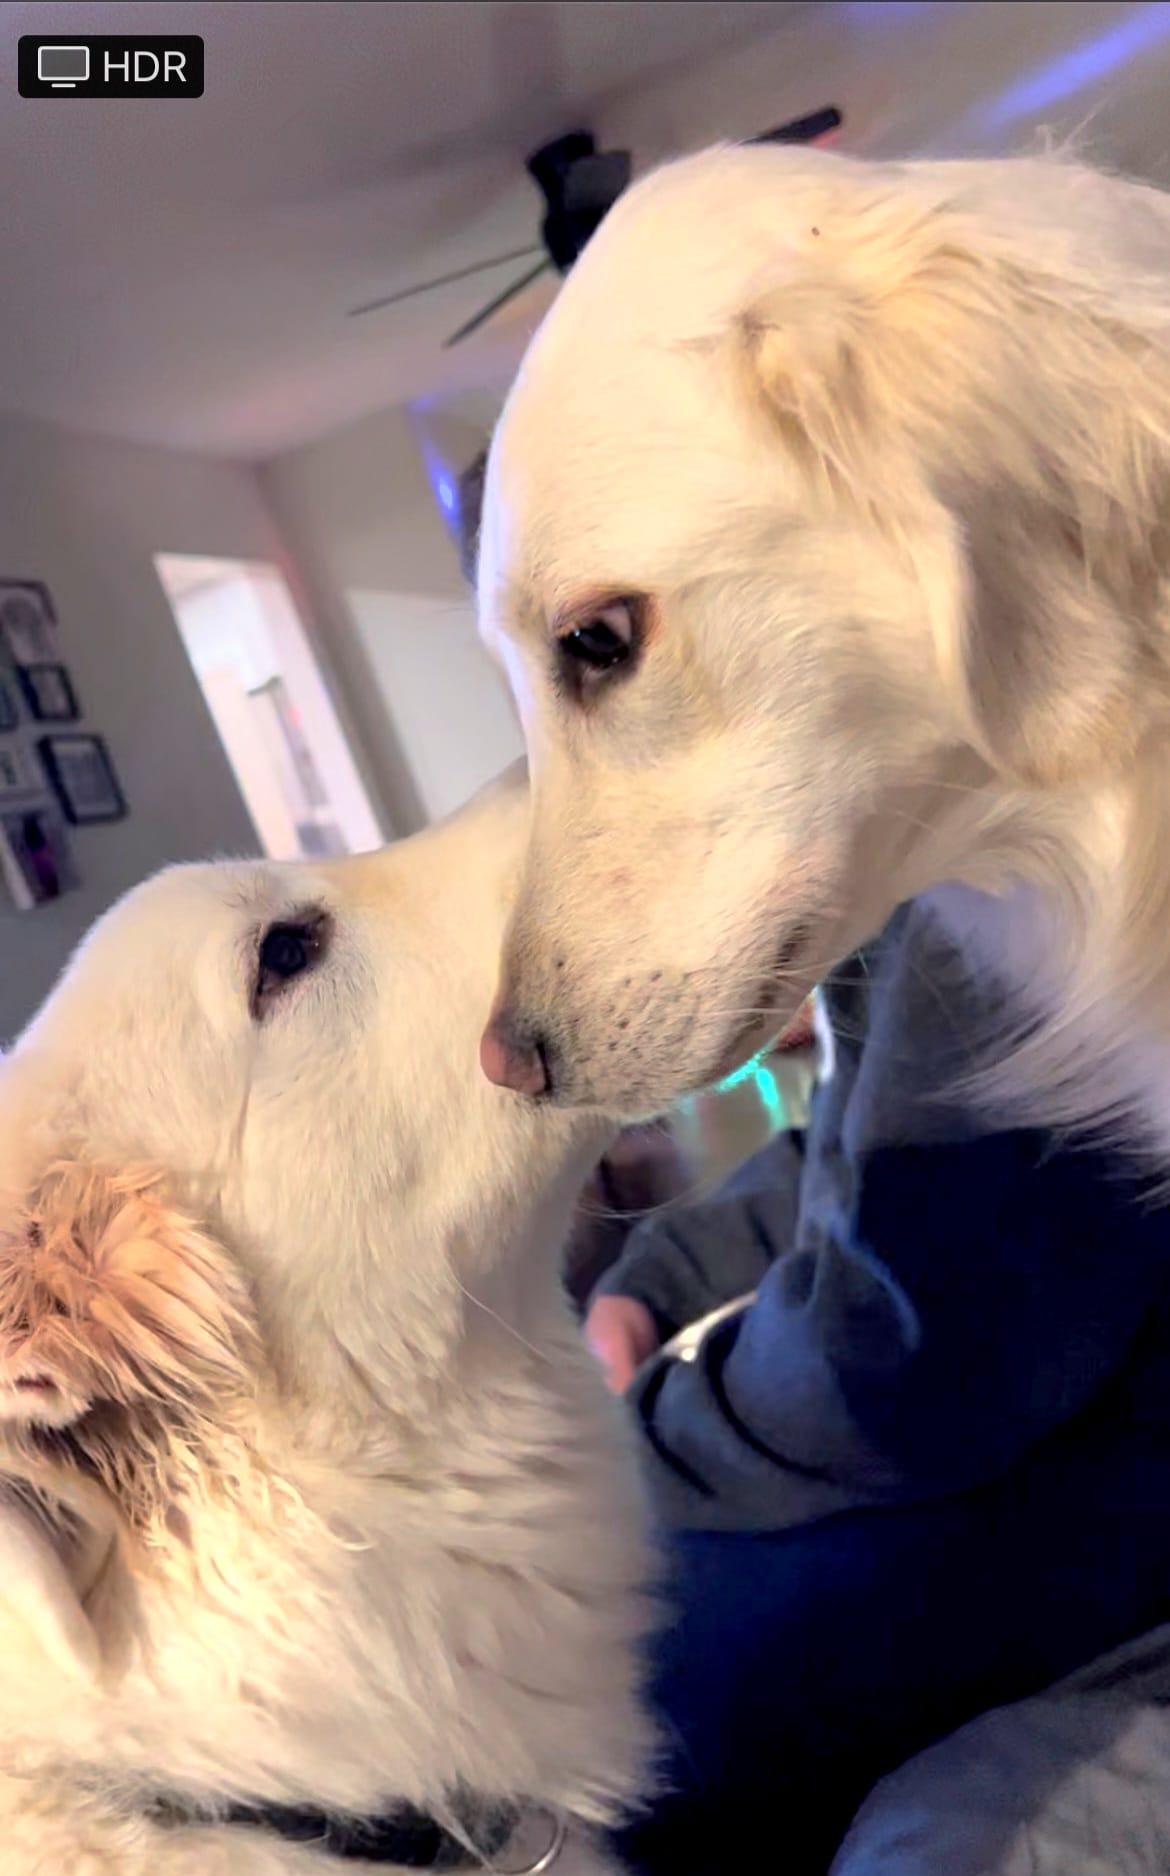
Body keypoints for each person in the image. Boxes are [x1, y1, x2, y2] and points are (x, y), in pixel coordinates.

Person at [585, 898, 1170, 1875]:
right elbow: (848, 1150)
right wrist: (660, 1281)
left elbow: (915, 1356)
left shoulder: (1015, 871)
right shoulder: (924, 895)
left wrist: (627, 1455)